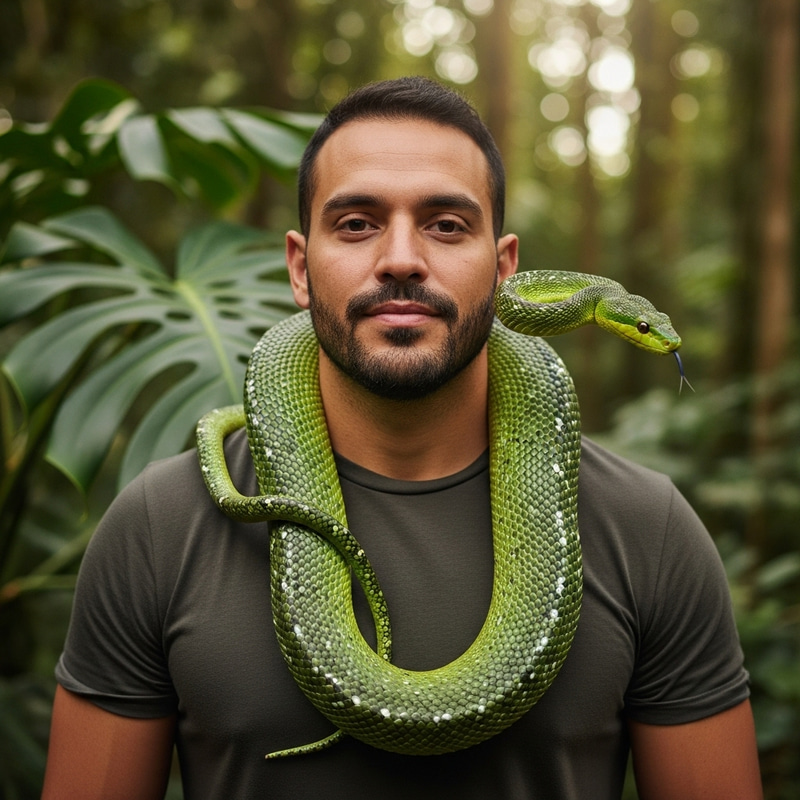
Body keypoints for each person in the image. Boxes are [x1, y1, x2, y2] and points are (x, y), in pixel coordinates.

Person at [42, 76, 762, 799]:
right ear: (299, 266)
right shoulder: (157, 529)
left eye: (447, 224)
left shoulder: (651, 531)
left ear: (505, 267)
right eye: (356, 223)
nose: (401, 258)